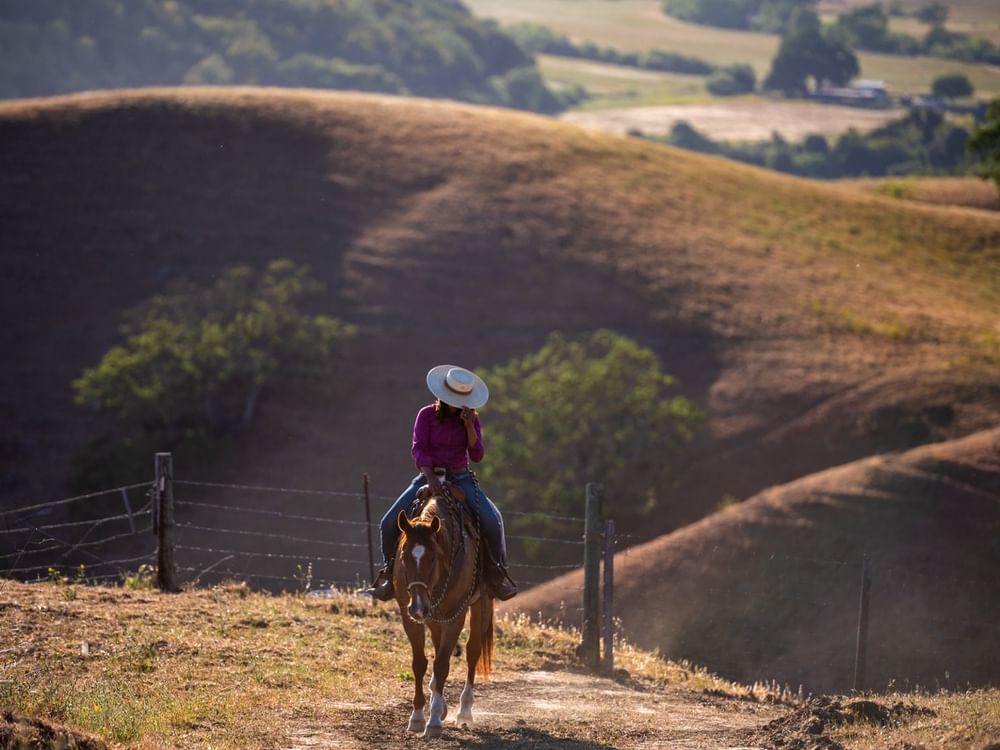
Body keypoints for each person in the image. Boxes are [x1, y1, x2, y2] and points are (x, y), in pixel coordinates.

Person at [365, 365, 518, 602]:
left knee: (492, 520)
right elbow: (419, 448)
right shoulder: (426, 415)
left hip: (460, 477)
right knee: (388, 522)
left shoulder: (471, 419)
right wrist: (429, 476)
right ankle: (389, 574)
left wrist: (469, 427)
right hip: (428, 474)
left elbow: (477, 454)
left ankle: (496, 575)